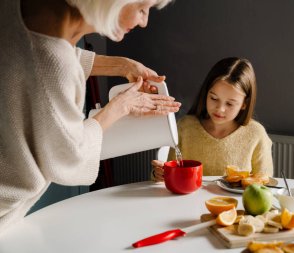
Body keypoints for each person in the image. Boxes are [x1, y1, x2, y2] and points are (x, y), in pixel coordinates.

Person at [0, 0, 181, 233]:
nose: (143, 22)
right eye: (142, 9)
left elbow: (45, 51)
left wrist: (121, 66)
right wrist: (118, 107)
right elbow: (71, 158)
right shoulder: (55, 65)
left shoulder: (20, 9)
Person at [151, 57, 273, 181]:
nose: (220, 109)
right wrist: (159, 175)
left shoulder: (256, 134)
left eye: (230, 104)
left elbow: (265, 183)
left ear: (244, 104)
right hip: (189, 200)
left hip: (238, 201)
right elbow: (169, 176)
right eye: (214, 98)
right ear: (206, 93)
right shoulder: (185, 127)